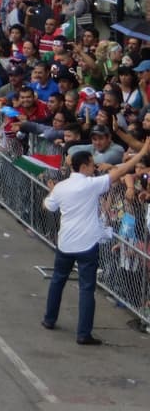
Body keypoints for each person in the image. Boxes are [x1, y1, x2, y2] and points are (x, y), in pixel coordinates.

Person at [42, 139, 150, 344]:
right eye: (92, 165)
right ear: (83, 167)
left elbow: (48, 206)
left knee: (57, 281)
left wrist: (51, 192)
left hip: (65, 242)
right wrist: (142, 151)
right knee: (86, 289)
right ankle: (83, 334)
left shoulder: (61, 187)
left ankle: (49, 319)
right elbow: (122, 170)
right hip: (87, 244)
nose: (95, 168)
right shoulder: (91, 184)